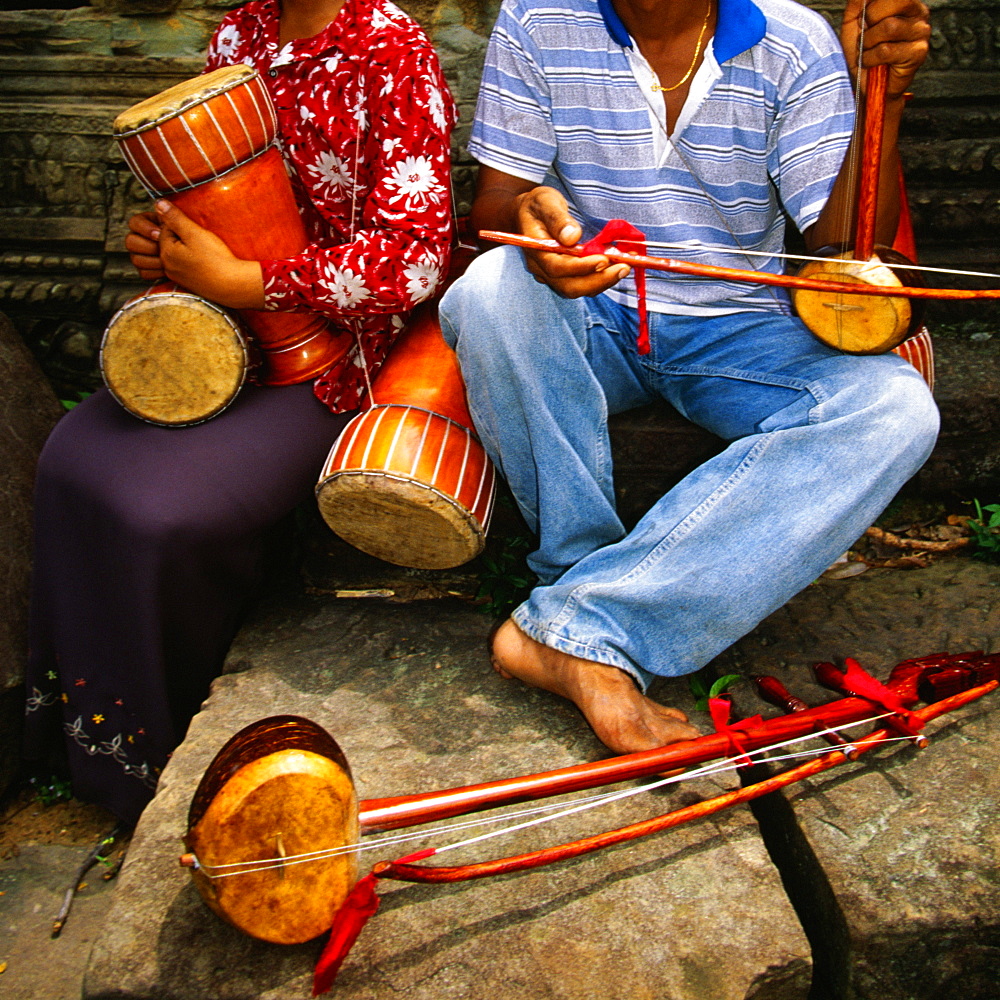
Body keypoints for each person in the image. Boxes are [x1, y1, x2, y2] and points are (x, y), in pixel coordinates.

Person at [439, 0, 936, 755]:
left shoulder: (791, 39)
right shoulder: (538, 18)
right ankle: (578, 579)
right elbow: (498, 205)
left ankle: (584, 625)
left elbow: (840, 249)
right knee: (489, 290)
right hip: (595, 308)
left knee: (895, 409)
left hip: (743, 327)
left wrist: (882, 103)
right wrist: (534, 229)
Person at [24, 0, 455, 826]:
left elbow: (414, 260)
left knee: (157, 510)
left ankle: (158, 755)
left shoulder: (391, 49)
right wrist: (167, 246)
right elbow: (210, 203)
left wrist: (249, 283)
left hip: (336, 364)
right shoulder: (240, 34)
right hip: (223, 337)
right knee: (72, 456)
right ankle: (75, 740)